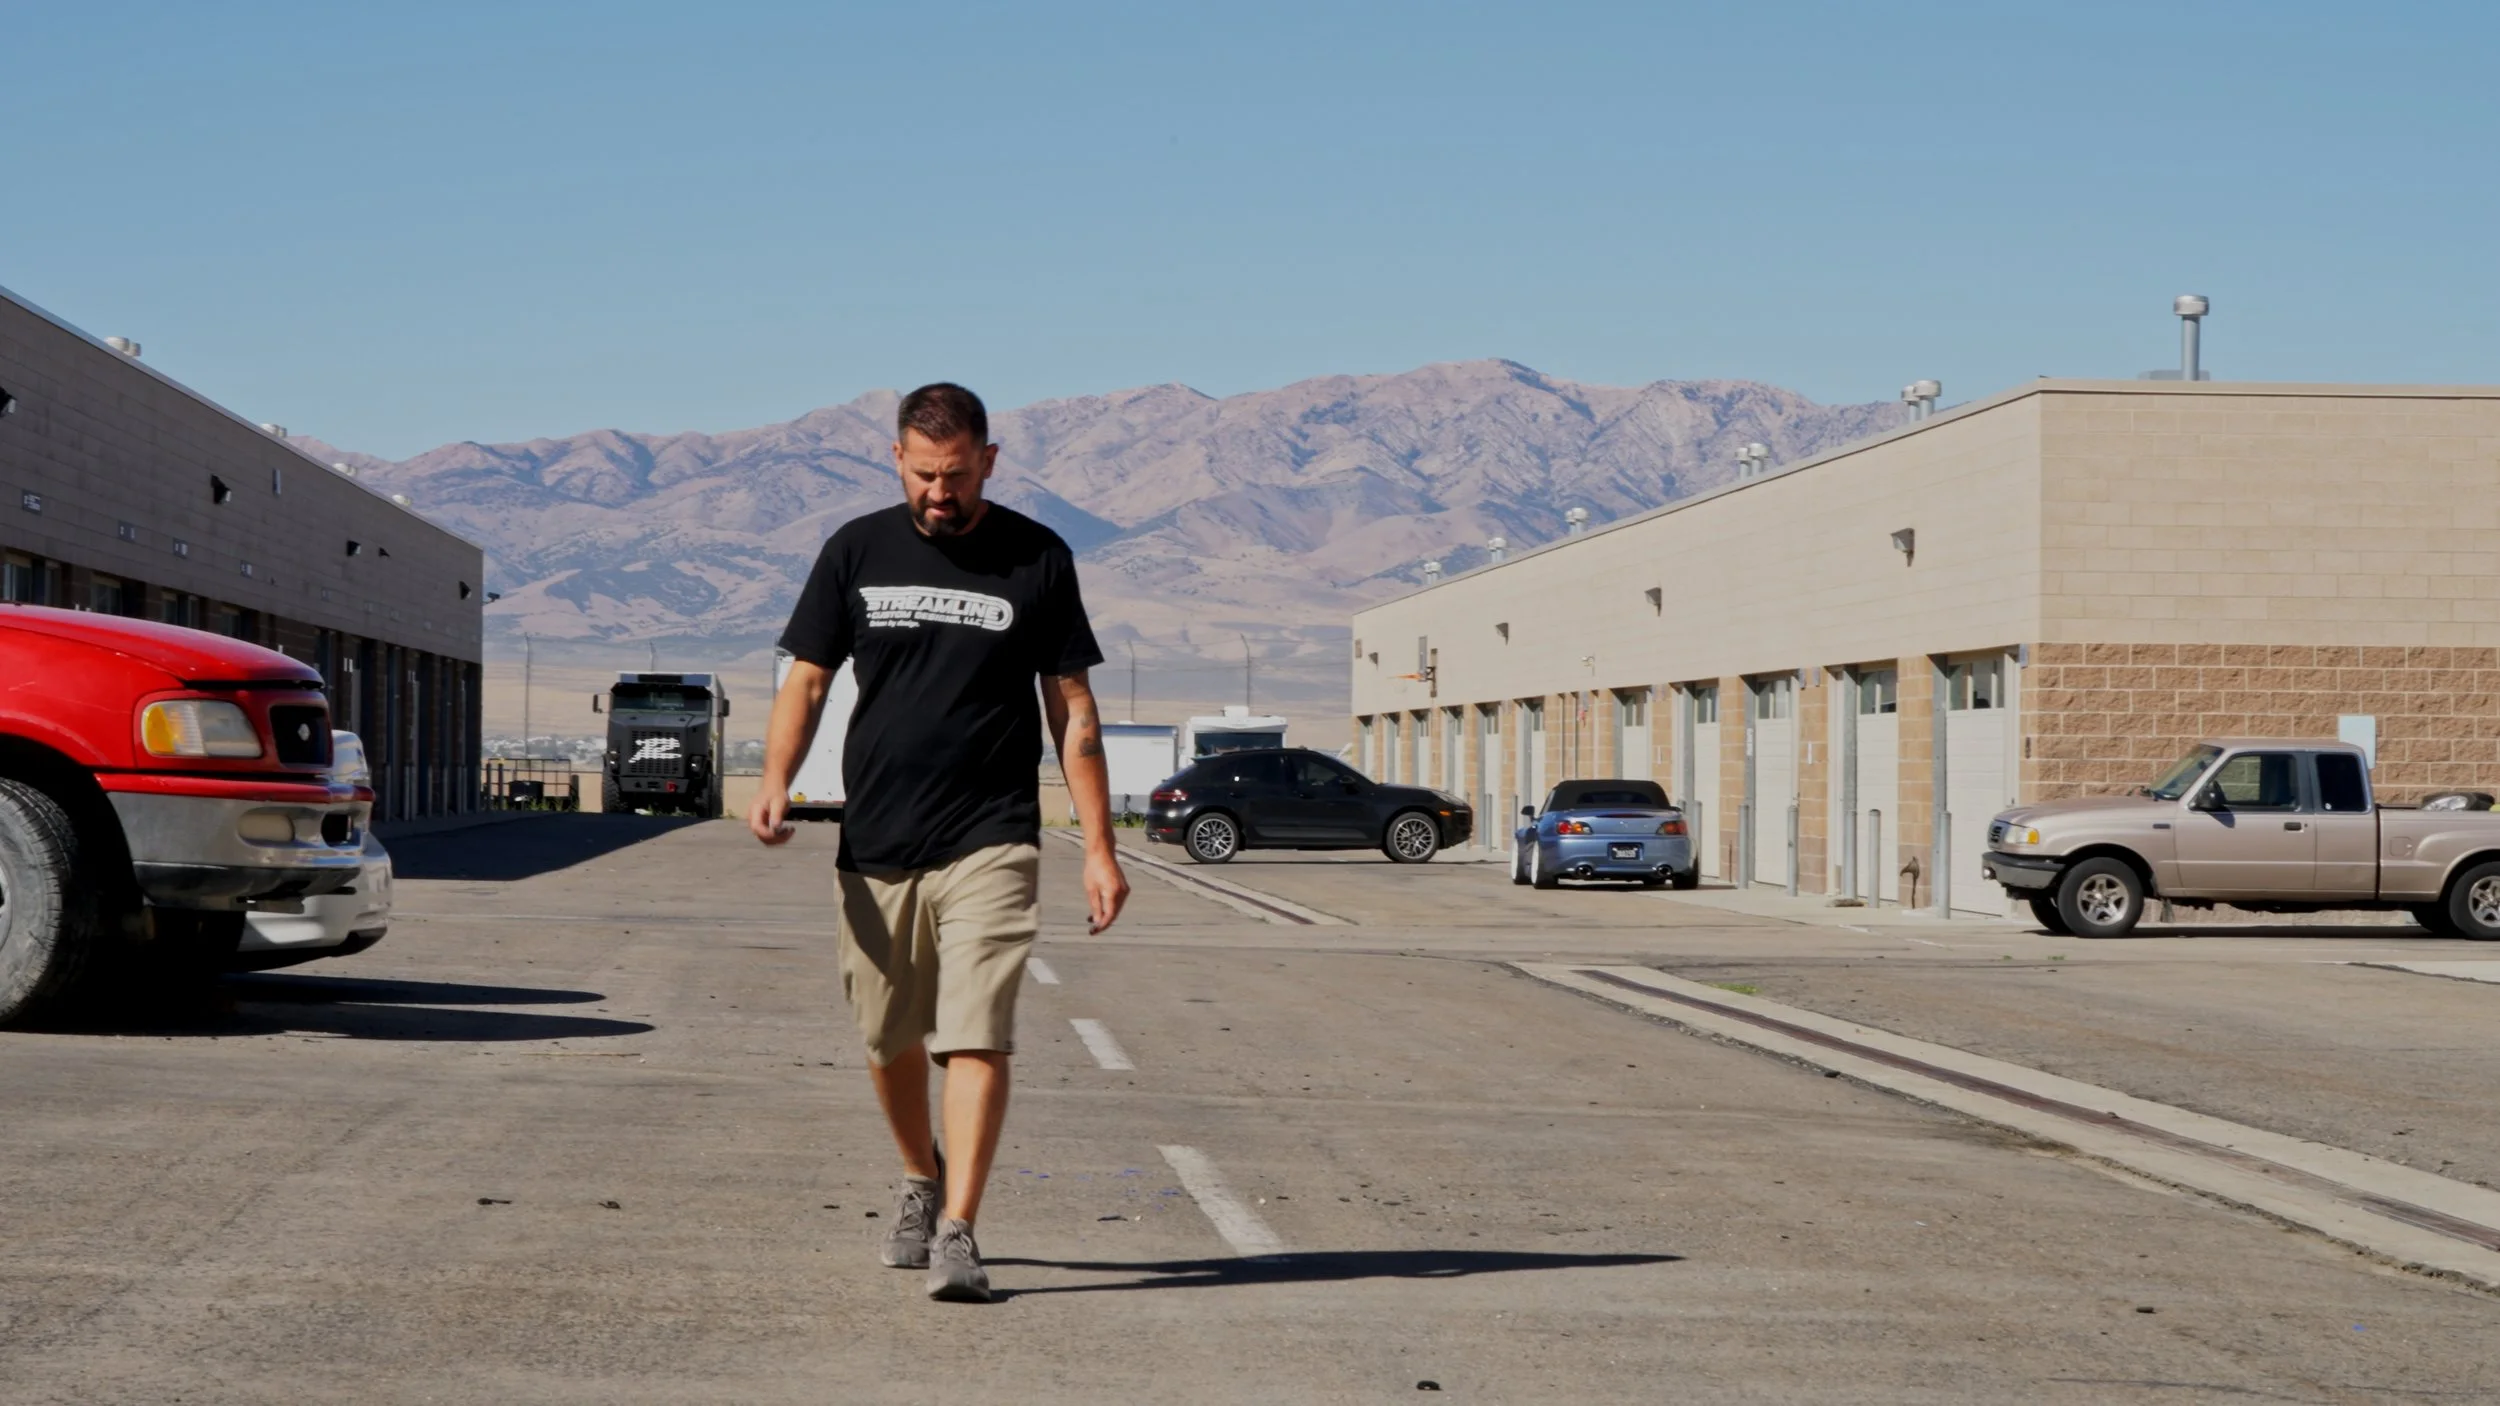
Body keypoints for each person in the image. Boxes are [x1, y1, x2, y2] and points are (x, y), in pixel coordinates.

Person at [749, 382, 1129, 1303]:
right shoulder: (856, 550)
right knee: (888, 1037)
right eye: (924, 476)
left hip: (991, 834)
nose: (939, 494)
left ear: (988, 462)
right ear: (896, 460)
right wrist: (773, 780)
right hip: (877, 834)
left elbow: (1071, 710)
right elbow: (803, 683)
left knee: (975, 1032)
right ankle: (922, 1175)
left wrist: (1098, 843)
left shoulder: (1037, 557)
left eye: (956, 476)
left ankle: (960, 1226)